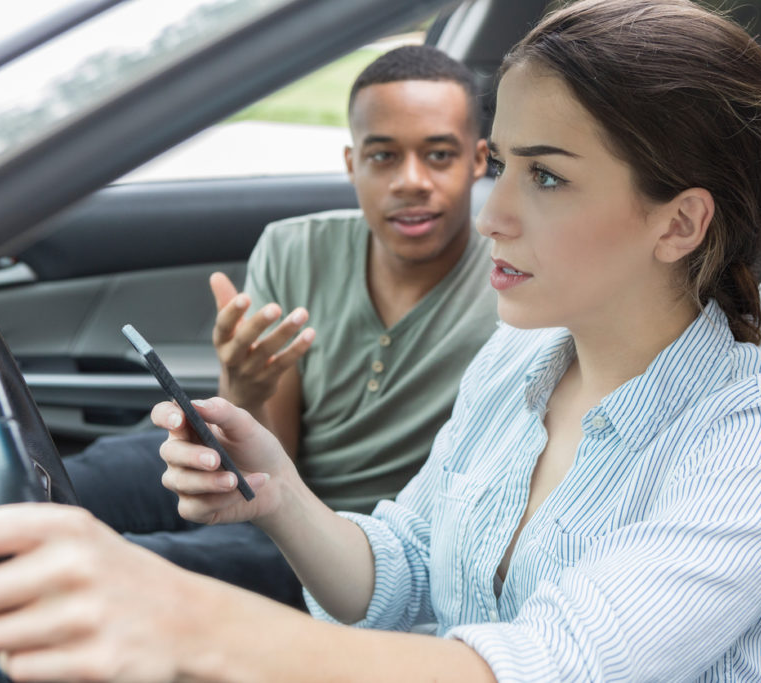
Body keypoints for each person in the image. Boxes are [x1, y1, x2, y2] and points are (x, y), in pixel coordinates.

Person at [0, 1, 761, 680]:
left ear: (678, 223)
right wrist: (279, 494)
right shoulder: (519, 361)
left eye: (549, 179)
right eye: (504, 166)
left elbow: (551, 664)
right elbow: (403, 568)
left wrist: (185, 617)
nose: (496, 216)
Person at [61, 44, 494, 604]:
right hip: (263, 477)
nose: (411, 180)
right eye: (383, 156)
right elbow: (269, 461)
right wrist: (243, 386)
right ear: (350, 162)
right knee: (57, 483)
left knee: (108, 576)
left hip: (350, 544)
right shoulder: (294, 247)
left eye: (439, 155)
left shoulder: (513, 282)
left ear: (479, 160)